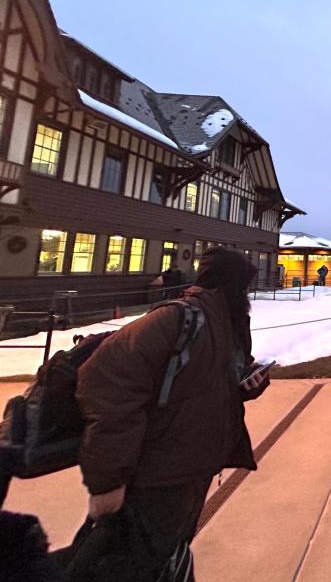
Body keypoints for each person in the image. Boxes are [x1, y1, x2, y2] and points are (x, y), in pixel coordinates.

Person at [76, 247, 270, 579]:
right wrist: (108, 481)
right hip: (158, 475)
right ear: (229, 283)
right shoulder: (177, 319)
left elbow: (196, 388)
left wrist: (242, 389)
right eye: (243, 287)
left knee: (167, 559)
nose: (247, 296)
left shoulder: (225, 323)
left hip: (193, 469)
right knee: (139, 564)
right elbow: (106, 383)